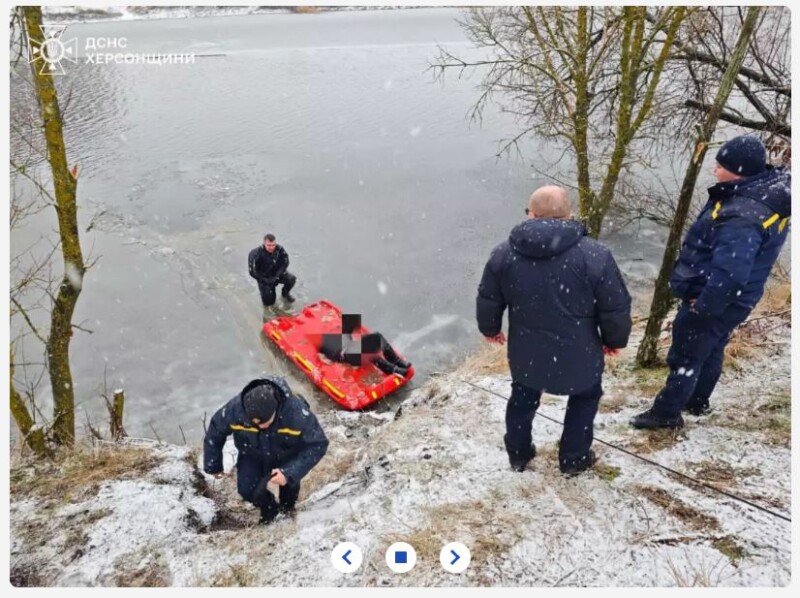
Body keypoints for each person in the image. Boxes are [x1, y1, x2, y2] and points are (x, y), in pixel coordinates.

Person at [631, 136, 791, 430]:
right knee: (712, 347)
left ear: (739, 171)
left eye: (721, 166)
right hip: (739, 299)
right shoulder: (769, 190)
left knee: (686, 354)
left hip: (715, 299)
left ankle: (666, 414)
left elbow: (730, 274)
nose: (715, 170)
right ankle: (697, 401)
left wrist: (704, 306)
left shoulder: (741, 217)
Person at [477, 185, 631, 475]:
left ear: (531, 214)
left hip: (527, 351)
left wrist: (491, 329)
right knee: (585, 397)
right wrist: (614, 340)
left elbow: (488, 298)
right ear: (570, 215)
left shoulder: (503, 254)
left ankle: (519, 454)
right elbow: (615, 306)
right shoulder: (595, 254)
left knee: (522, 398)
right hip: (580, 350)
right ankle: (573, 459)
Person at [203, 376, 329, 524]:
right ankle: (270, 509)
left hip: (287, 453)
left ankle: (287, 512)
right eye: (255, 424)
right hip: (251, 453)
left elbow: (318, 444)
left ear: (275, 409)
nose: (261, 427)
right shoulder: (235, 409)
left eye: (266, 422)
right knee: (247, 490)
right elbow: (215, 431)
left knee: (289, 488)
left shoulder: (297, 413)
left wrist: (288, 472)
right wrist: (213, 465)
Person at [318, 313, 411, 377]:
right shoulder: (324, 342)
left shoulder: (338, 329)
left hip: (352, 347)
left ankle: (395, 360)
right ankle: (391, 369)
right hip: (346, 355)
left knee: (377, 336)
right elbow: (329, 355)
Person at [248, 233, 296, 306]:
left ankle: (285, 294)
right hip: (264, 278)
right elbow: (252, 272)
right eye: (269, 245)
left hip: (277, 274)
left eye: (273, 245)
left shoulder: (279, 249)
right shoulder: (255, 254)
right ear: (264, 244)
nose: (271, 248)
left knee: (291, 279)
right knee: (269, 303)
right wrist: (265, 280)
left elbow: (285, 263)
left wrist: (276, 276)